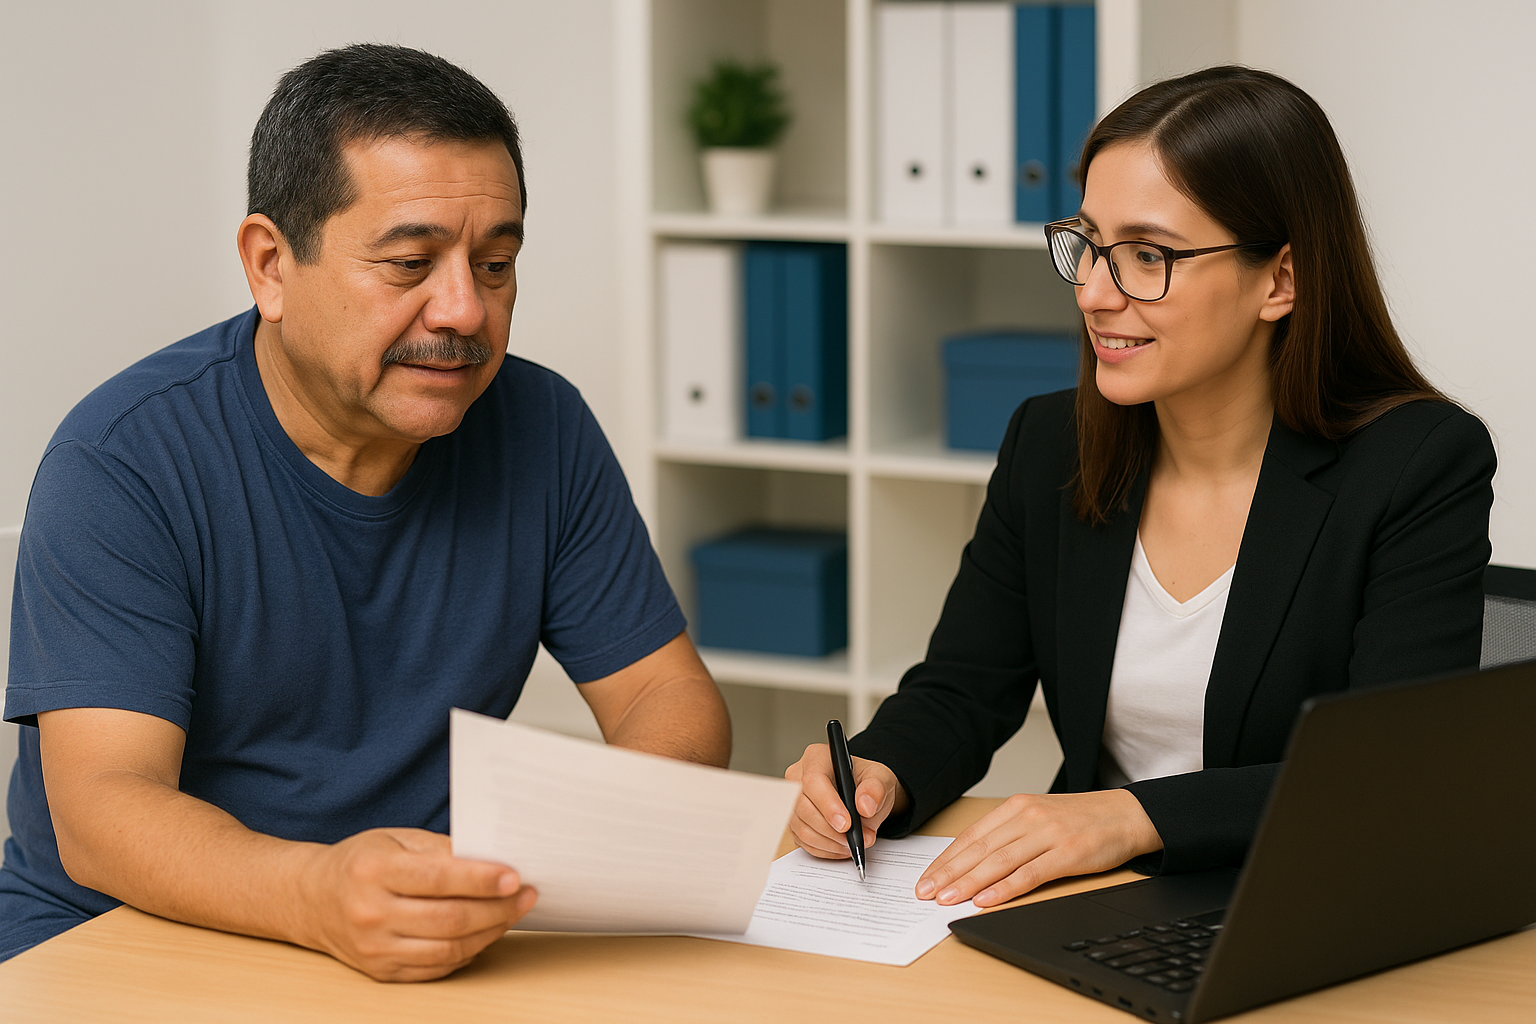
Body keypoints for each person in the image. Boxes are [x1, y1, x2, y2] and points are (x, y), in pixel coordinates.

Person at [1, 44, 730, 979]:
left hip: (419, 945)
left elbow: (665, 698)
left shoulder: (541, 424)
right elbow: (103, 813)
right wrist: (318, 893)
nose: (465, 309)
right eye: (410, 262)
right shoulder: (122, 462)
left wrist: (593, 845)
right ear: (270, 265)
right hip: (124, 941)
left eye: (497, 262)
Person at [788, 66, 1495, 910]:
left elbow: (1391, 775)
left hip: (1301, 906)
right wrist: (877, 774)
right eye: (1087, 244)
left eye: (1147, 256)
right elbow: (963, 689)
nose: (1092, 291)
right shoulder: (1050, 441)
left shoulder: (1418, 463)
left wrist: (1136, 815)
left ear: (1281, 280)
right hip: (1093, 906)